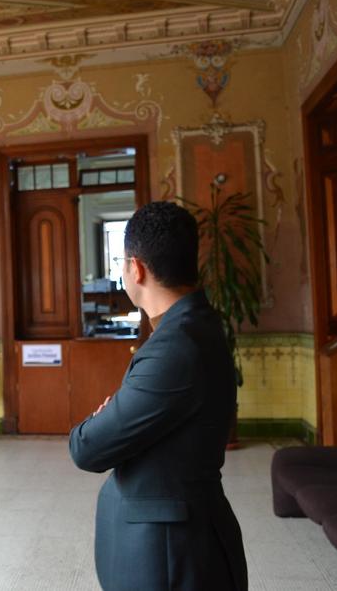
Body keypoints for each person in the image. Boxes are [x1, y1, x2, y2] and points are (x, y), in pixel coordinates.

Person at [69, 201, 248, 591]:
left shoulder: (174, 347)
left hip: (167, 555)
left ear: (136, 268)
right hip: (178, 541)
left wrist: (101, 419)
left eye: (122, 263)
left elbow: (87, 448)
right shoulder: (195, 323)